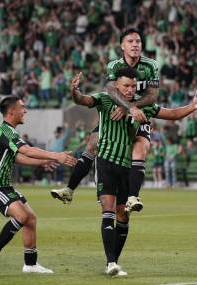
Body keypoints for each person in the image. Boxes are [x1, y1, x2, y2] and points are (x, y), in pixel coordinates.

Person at [68, 68, 197, 276]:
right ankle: (111, 262)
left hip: (126, 167)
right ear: (116, 86)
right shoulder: (105, 99)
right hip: (105, 162)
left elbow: (173, 114)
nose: (130, 90)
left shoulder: (143, 107)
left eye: (133, 86)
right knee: (108, 209)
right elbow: (83, 101)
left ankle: (112, 261)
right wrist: (75, 91)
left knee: (123, 216)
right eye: (126, 86)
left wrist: (193, 107)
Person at [51, 28, 159, 213]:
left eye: (138, 41)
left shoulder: (150, 65)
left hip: (138, 115)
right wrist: (126, 106)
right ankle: (69, 190)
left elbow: (152, 96)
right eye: (131, 41)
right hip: (118, 113)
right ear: (122, 46)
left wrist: (130, 107)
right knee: (92, 143)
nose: (135, 44)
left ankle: (133, 197)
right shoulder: (114, 65)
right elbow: (110, 90)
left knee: (140, 149)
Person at [0, 96, 76, 275]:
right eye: (22, 107)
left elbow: (17, 157)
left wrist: (42, 162)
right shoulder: (6, 131)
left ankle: (30, 264)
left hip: (4, 186)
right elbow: (26, 150)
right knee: (23, 216)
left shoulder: (7, 131)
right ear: (11, 111)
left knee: (30, 218)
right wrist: (56, 156)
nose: (25, 111)